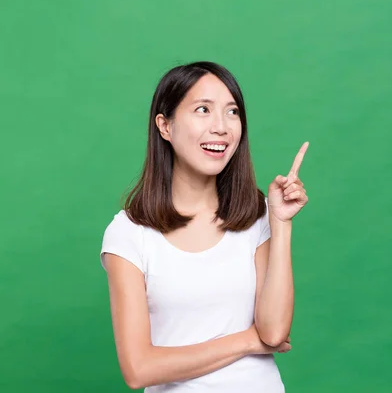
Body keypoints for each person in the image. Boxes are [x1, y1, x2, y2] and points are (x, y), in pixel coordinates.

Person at [99, 61, 309, 392]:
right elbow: (138, 369)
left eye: (232, 112)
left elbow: (273, 332)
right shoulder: (129, 233)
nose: (222, 127)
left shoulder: (254, 215)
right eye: (203, 110)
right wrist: (245, 342)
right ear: (165, 126)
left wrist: (279, 223)